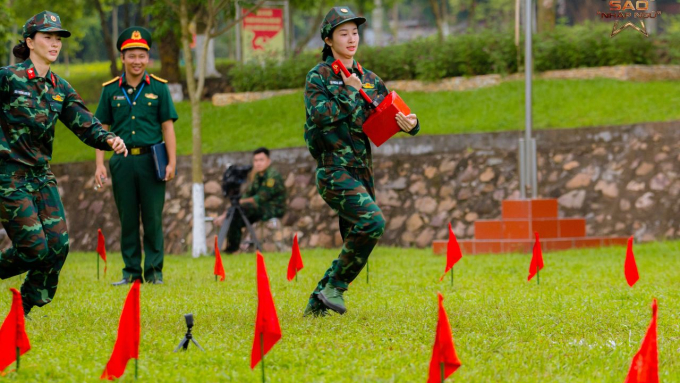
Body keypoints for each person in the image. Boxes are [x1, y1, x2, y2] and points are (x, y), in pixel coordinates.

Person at [0, 11, 128, 316]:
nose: (55, 43)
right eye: (48, 37)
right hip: (9, 177)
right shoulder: (8, 77)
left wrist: (109, 139)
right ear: (30, 42)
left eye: (58, 38)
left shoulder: (60, 88)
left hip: (41, 176)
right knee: (34, 249)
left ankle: (23, 310)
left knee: (58, 246)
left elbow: (85, 123)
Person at [303, 7, 420, 317]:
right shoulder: (320, 76)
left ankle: (317, 304)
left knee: (355, 237)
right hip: (333, 169)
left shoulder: (368, 78)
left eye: (354, 32)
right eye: (343, 33)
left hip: (362, 170)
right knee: (373, 222)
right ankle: (335, 287)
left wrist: (411, 123)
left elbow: (389, 112)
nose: (351, 38)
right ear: (329, 40)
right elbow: (319, 116)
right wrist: (349, 94)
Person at [93, 27, 178, 286]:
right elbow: (100, 130)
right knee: (127, 218)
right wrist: (99, 164)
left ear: (148, 58)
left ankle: (154, 273)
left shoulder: (160, 89)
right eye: (132, 56)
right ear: (123, 57)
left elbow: (168, 127)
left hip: (153, 161)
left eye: (142, 56)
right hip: (122, 161)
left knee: (152, 218)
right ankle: (131, 273)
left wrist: (172, 162)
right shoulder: (110, 91)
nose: (137, 61)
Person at [214, 147, 286, 253]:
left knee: (239, 212)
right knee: (236, 215)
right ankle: (232, 247)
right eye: (256, 160)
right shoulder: (257, 176)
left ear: (268, 161)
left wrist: (240, 203)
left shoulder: (272, 176)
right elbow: (246, 195)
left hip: (272, 208)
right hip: (259, 208)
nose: (258, 163)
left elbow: (260, 198)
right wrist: (227, 213)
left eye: (261, 160)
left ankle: (233, 248)